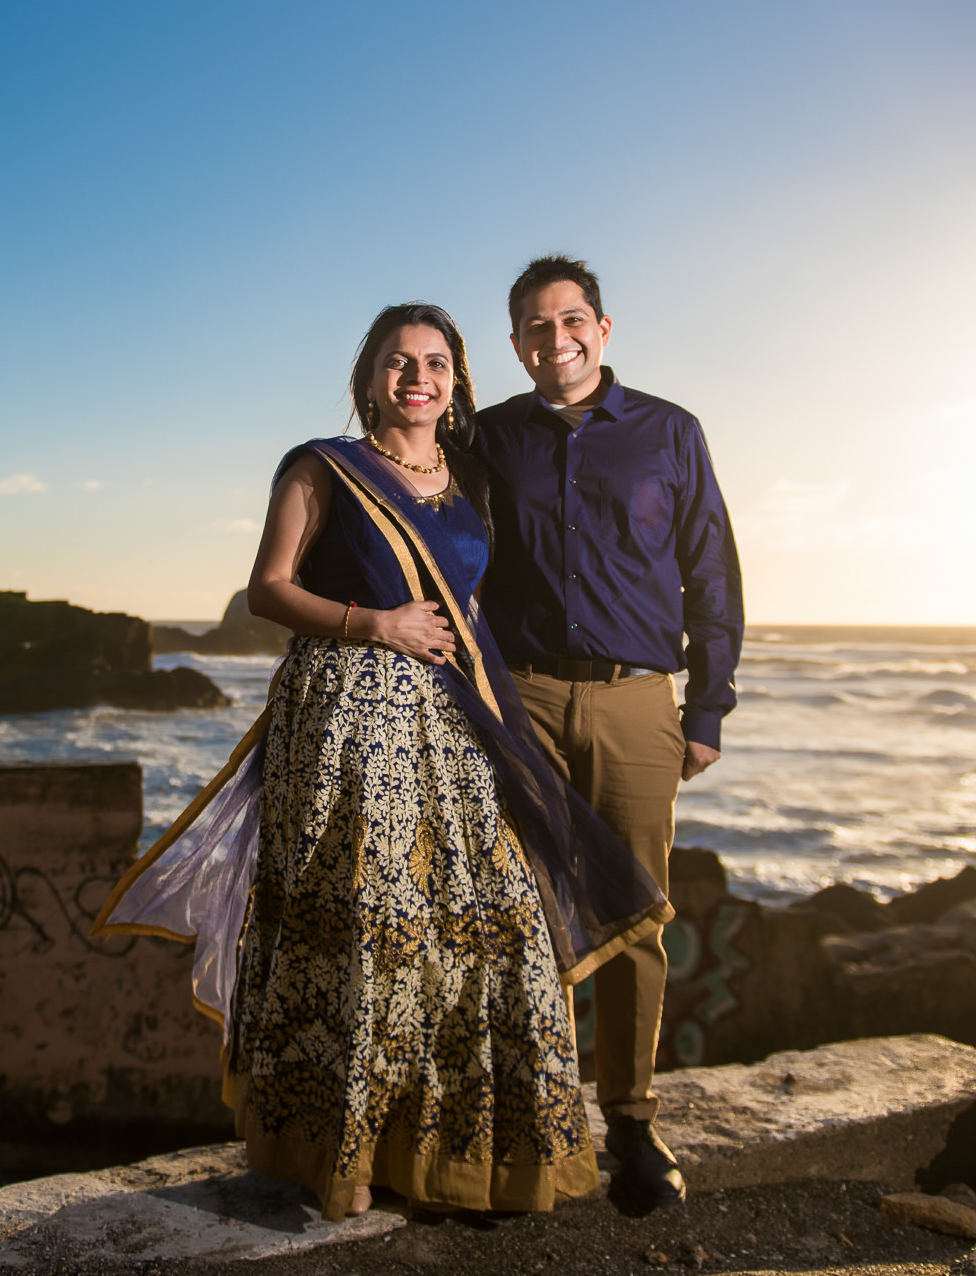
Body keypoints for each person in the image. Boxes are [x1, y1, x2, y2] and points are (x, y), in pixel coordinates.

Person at [92, 303, 670, 1222]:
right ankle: (342, 1154)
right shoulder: (322, 466)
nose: (417, 377)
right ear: (368, 377)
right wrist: (377, 623)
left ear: (456, 379)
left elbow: (498, 593)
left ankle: (453, 1149)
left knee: (484, 928)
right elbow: (268, 587)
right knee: (363, 929)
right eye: (398, 362)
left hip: (457, 721)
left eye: (435, 362)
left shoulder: (469, 476)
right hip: (347, 723)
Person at [474, 254, 743, 1210]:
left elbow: (709, 571)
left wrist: (705, 709)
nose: (558, 340)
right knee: (519, 912)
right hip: (523, 702)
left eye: (572, 320)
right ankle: (532, 1117)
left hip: (638, 699)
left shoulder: (671, 433)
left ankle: (630, 1119)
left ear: (604, 326)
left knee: (636, 914)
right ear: (515, 345)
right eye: (537, 328)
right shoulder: (490, 436)